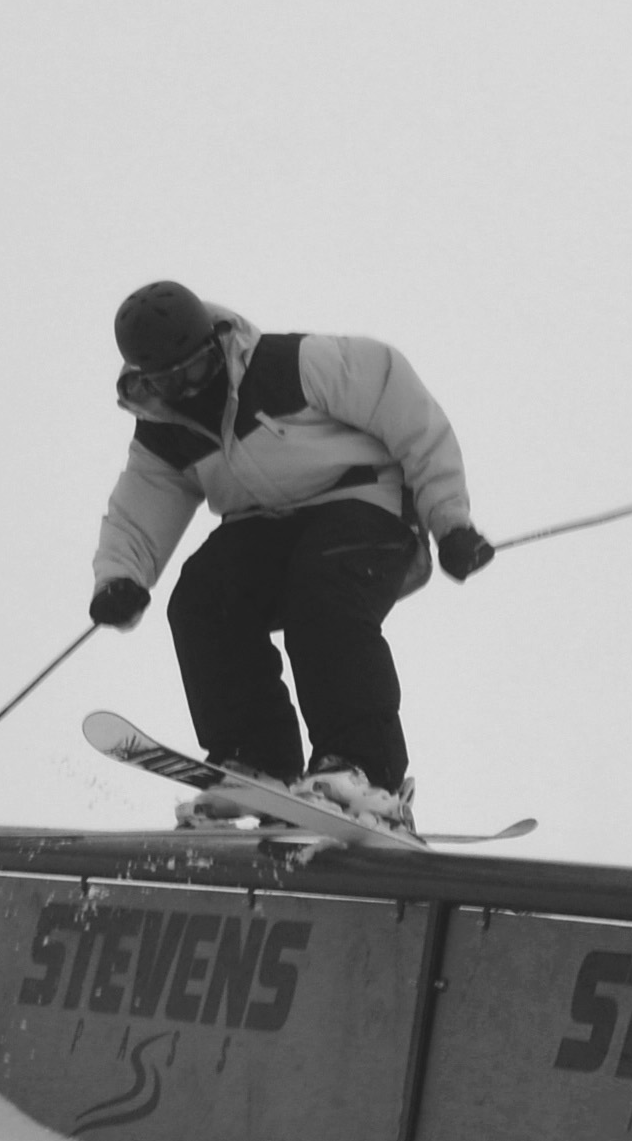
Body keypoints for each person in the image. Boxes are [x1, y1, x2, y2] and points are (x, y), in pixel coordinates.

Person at [87, 281, 491, 832]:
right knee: (203, 598)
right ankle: (255, 761)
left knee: (323, 593)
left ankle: (363, 771)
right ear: (142, 378)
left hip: (365, 506)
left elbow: (411, 417)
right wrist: (121, 579)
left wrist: (450, 522)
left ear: (218, 344)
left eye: (195, 371)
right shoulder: (166, 429)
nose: (184, 390)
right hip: (266, 527)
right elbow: (142, 502)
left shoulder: (295, 366)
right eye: (166, 381)